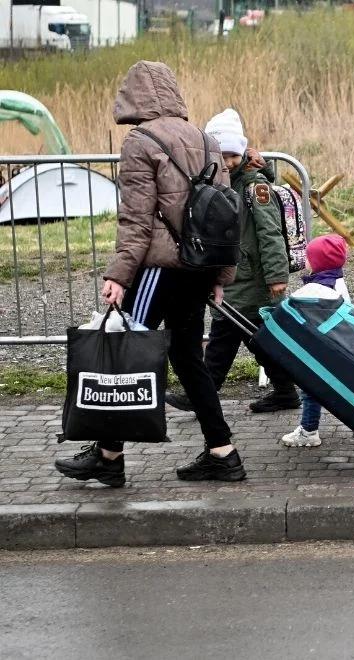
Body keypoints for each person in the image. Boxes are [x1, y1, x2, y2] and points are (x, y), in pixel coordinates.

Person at [54, 61, 247, 485]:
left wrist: (119, 276)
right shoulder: (207, 139)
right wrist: (220, 276)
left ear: (135, 96)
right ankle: (223, 451)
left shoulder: (140, 141)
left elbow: (136, 220)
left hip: (161, 268)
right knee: (186, 358)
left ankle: (108, 457)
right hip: (199, 267)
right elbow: (228, 219)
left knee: (126, 351)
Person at [165, 108, 300, 414]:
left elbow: (270, 233)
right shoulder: (220, 182)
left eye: (232, 157)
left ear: (241, 154)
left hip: (253, 278)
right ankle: (284, 391)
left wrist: (277, 276)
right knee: (255, 339)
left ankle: (203, 391)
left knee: (227, 336)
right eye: (221, 156)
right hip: (235, 276)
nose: (226, 163)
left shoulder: (255, 187)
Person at [279, 234, 350, 448]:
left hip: (325, 351)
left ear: (318, 262)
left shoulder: (316, 290)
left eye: (309, 257)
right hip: (342, 347)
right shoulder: (338, 282)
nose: (305, 261)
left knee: (310, 389)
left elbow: (292, 311)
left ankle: (309, 431)